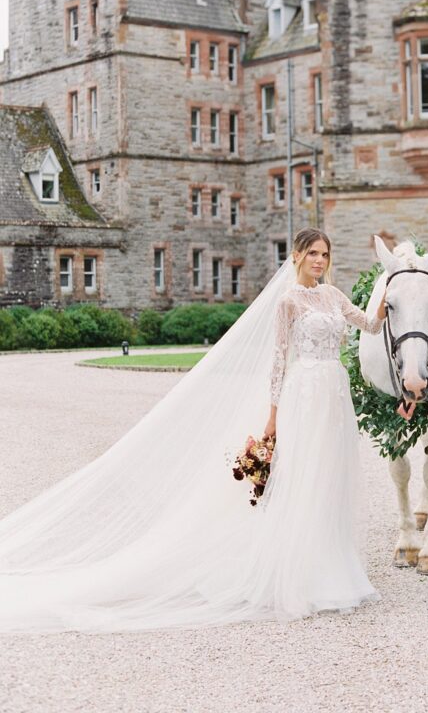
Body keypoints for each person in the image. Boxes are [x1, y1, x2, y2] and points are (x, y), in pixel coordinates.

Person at [0, 228, 385, 632]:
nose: (319, 261)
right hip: (303, 394)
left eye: (325, 254)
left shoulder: (335, 295)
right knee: (302, 478)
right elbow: (278, 360)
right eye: (312, 254)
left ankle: (331, 564)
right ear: (297, 257)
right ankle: (298, 573)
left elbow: (370, 326)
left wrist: (393, 293)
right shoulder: (288, 301)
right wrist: (273, 416)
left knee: (330, 476)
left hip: (334, 396)